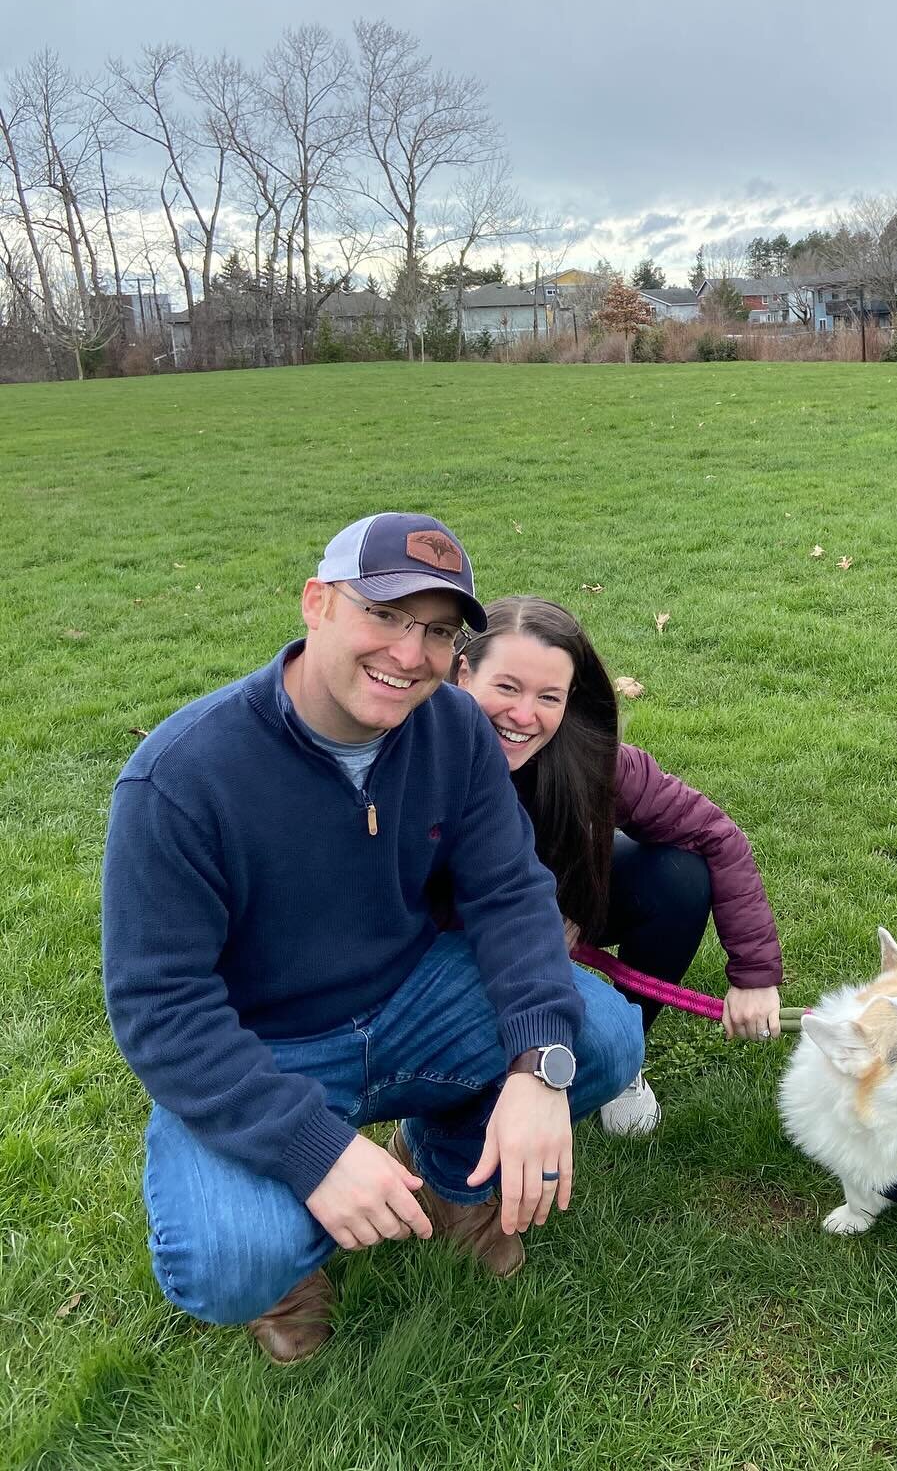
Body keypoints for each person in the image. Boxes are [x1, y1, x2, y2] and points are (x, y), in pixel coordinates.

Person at [102, 514, 643, 1365]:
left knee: (599, 1036)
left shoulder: (453, 730)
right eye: (383, 614)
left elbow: (510, 894)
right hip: (265, 1048)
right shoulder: (180, 778)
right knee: (226, 1260)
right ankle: (287, 1273)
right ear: (316, 603)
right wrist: (312, 1151)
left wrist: (540, 1065)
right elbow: (158, 1008)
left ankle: (452, 1173)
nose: (407, 652)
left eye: (435, 631)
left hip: (409, 1002)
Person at [452, 597, 782, 1138]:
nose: (523, 715)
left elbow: (718, 835)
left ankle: (622, 1051)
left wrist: (756, 977)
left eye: (548, 697)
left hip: (569, 903)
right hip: (464, 924)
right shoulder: (414, 747)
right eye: (506, 687)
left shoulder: (597, 761)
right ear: (464, 672)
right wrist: (524, 930)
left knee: (678, 876)